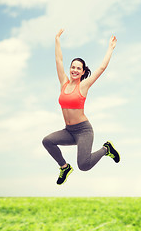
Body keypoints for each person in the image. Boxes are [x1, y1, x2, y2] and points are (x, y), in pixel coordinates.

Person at [42, 29, 120, 185]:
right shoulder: (63, 83)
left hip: (83, 131)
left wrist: (110, 48)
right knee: (47, 141)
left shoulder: (84, 86)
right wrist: (57, 39)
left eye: (78, 68)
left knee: (84, 165)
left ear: (83, 72)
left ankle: (107, 149)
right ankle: (64, 167)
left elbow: (101, 68)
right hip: (69, 131)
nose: (74, 70)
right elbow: (58, 60)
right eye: (73, 67)